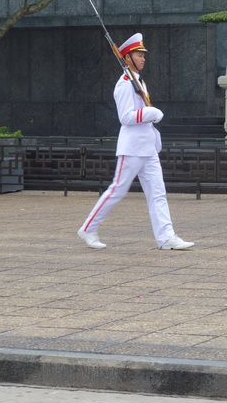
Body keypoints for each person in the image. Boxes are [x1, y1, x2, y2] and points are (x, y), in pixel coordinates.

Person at [77, 33, 195, 251]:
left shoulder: (138, 81)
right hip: (132, 148)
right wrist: (149, 112)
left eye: (143, 55)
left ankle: (166, 237)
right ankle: (88, 228)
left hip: (147, 147)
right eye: (139, 55)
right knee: (117, 190)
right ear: (127, 57)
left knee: (157, 193)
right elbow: (126, 117)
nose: (143, 59)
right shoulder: (124, 84)